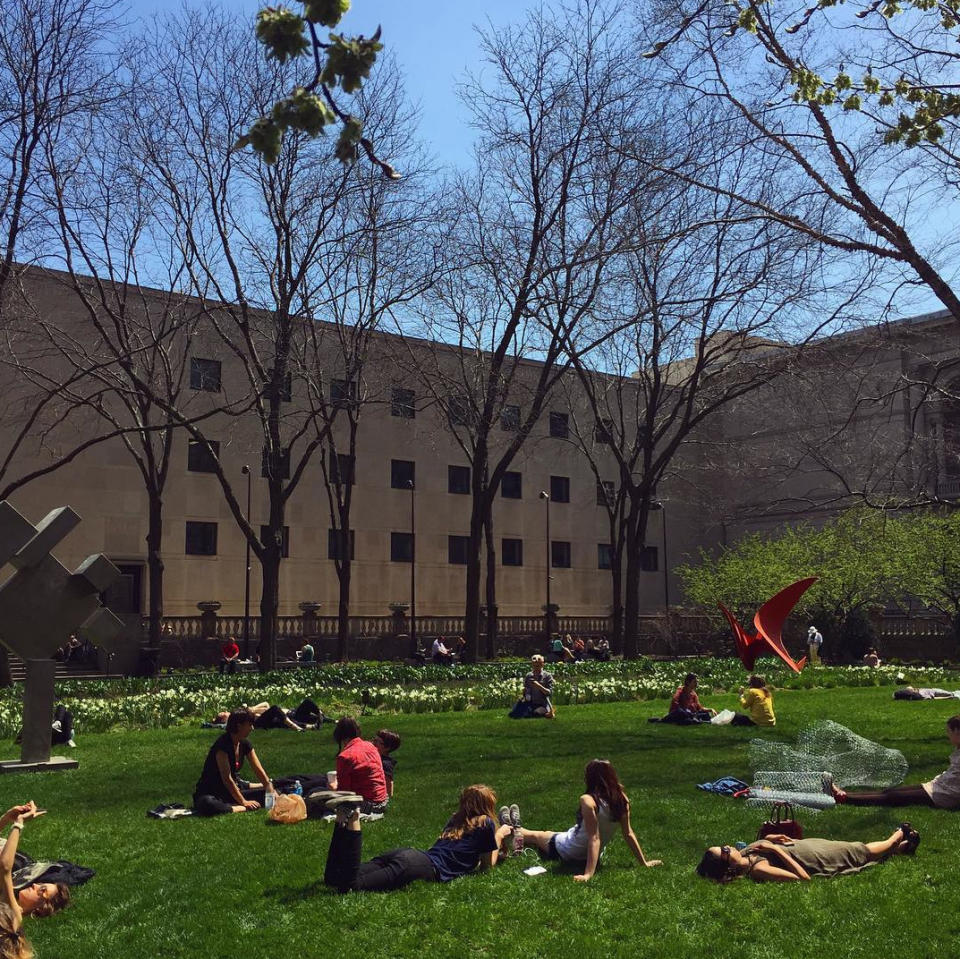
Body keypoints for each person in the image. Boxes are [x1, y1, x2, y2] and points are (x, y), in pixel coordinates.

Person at [322, 784, 512, 893]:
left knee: (335, 878)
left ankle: (341, 817)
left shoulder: (456, 818)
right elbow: (487, 866)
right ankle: (353, 815)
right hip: (420, 866)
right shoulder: (485, 823)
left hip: (409, 854)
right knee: (350, 886)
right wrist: (499, 834)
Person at [506, 759, 662, 882]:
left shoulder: (588, 800)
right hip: (589, 852)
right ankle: (514, 828)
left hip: (569, 850)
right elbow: (628, 833)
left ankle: (510, 829)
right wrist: (644, 863)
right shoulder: (622, 800)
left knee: (538, 836)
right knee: (552, 834)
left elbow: (594, 838)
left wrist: (587, 874)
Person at [696, 824, 920, 882]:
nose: (728, 846)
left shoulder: (744, 854)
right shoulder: (757, 870)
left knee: (855, 846)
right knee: (860, 850)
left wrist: (769, 839)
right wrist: (775, 850)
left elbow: (759, 845)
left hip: (814, 846)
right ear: (728, 865)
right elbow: (802, 879)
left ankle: (901, 849)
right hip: (821, 859)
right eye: (725, 850)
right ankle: (899, 835)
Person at [830, 714, 960, 809]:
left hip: (946, 794)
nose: (947, 735)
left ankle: (844, 798)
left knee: (894, 797)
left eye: (949, 731)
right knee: (890, 791)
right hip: (938, 785)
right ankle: (842, 794)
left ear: (958, 733)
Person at [1, 801, 70, 943]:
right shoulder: (6, 894)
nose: (35, 886)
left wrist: (19, 823)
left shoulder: (14, 914)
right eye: (41, 884)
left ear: (41, 909)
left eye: (43, 890)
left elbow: (4, 867)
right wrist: (7, 818)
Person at [193, 709, 277, 815]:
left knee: (271, 792)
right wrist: (244, 802)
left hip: (231, 792)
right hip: (212, 793)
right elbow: (227, 779)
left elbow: (258, 770)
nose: (252, 728)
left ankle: (233, 804)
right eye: (249, 725)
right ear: (239, 726)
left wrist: (270, 789)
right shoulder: (222, 745)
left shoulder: (245, 744)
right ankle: (238, 808)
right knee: (208, 804)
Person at [334, 717, 389, 814]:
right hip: (382, 801)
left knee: (317, 791)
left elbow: (343, 792)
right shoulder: (370, 746)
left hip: (365, 805)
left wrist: (332, 788)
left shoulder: (345, 757)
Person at [210, 699, 322, 731]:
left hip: (261, 720)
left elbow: (265, 705)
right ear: (223, 719)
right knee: (275, 709)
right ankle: (295, 726)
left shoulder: (238, 712)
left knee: (279, 722)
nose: (225, 711)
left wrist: (252, 709)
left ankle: (310, 726)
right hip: (256, 723)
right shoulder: (232, 720)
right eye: (223, 713)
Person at [373, 729, 401, 798]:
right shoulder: (375, 757)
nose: (373, 743)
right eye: (374, 739)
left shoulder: (385, 764)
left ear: (387, 748)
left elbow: (389, 789)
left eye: (377, 742)